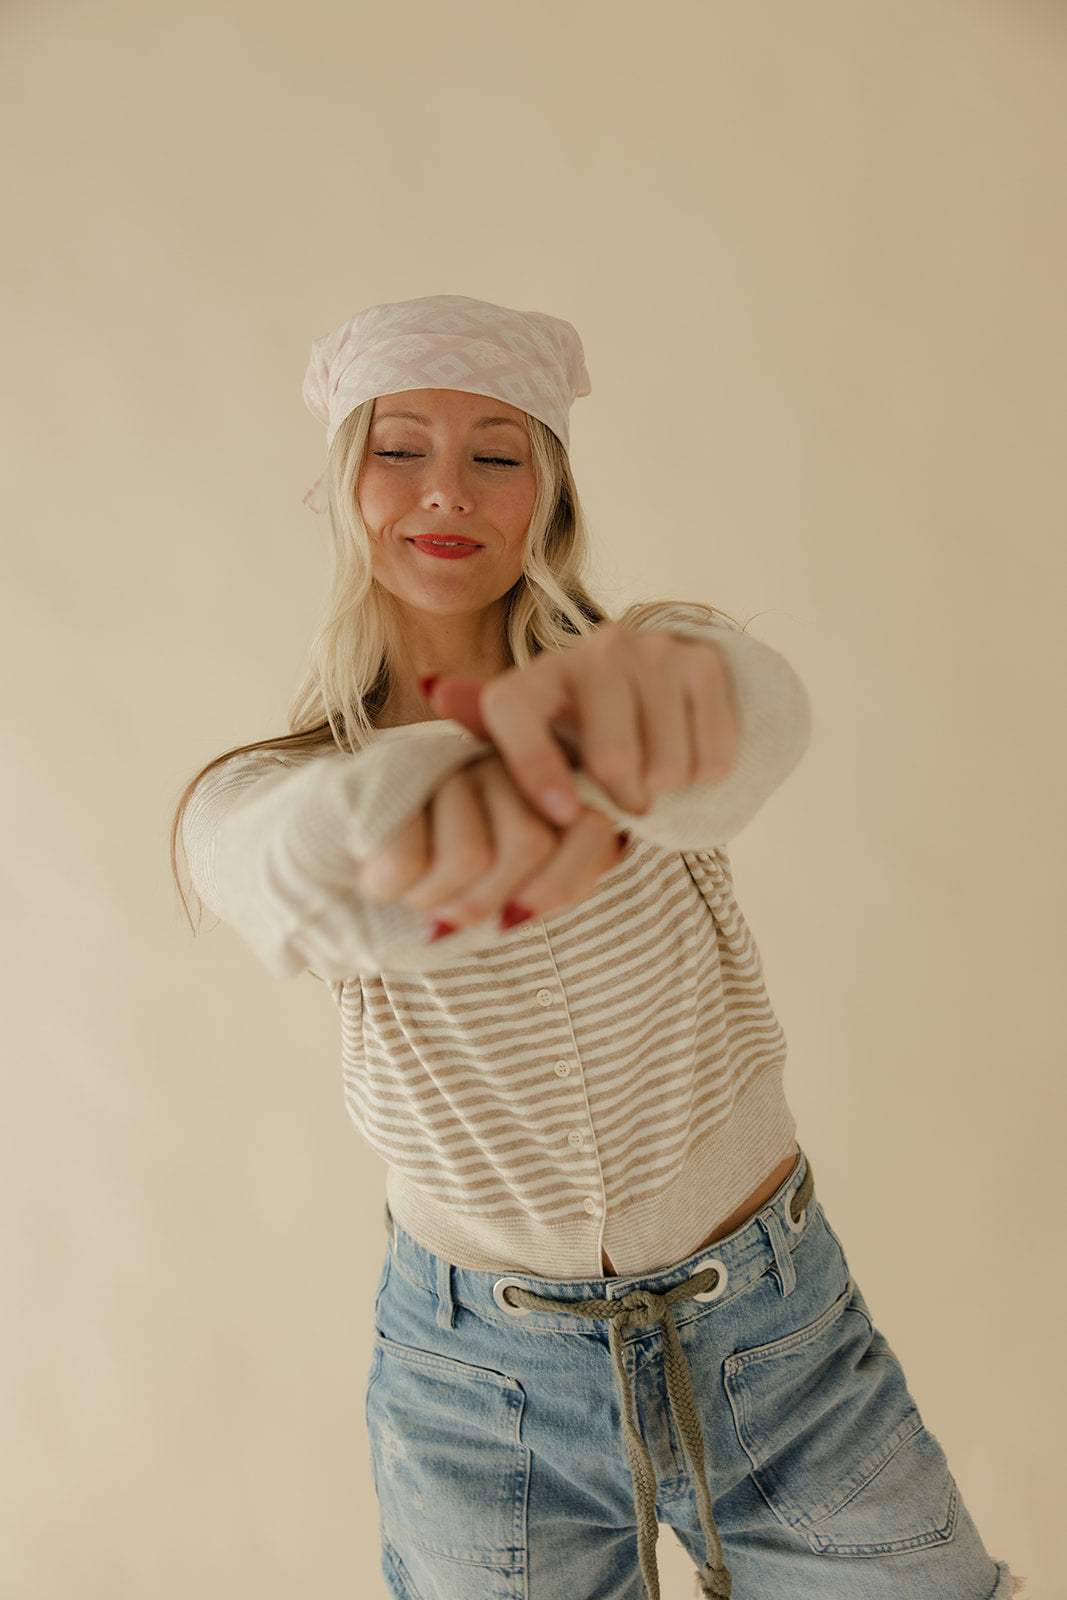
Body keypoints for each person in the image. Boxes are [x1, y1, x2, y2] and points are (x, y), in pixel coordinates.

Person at [172, 295, 1018, 1600]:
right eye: (399, 447)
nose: (446, 486)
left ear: (548, 495)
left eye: (497, 452)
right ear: (341, 482)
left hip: (780, 1342)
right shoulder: (273, 786)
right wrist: (429, 801)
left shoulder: (650, 670)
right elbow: (280, 861)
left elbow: (749, 722)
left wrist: (619, 716)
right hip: (476, 1394)